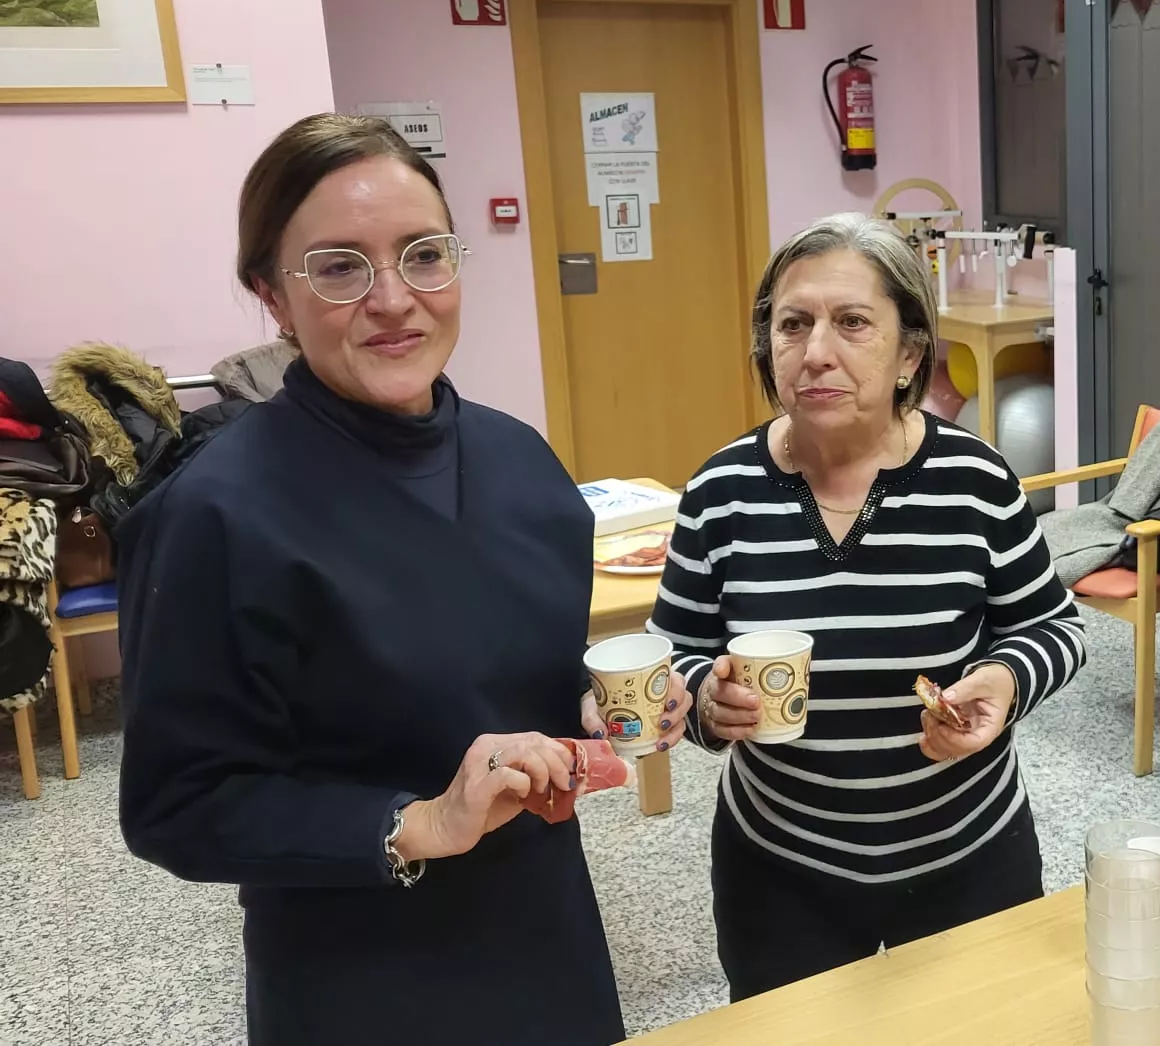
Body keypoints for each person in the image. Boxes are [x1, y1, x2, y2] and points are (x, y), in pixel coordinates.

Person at [117, 114, 688, 1045]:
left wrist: (599, 712)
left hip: (548, 940)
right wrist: (416, 822)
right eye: (340, 268)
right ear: (272, 294)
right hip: (357, 972)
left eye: (424, 255)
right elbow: (176, 807)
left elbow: (508, 682)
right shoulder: (219, 516)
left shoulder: (521, 465)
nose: (395, 299)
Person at [651, 212, 1085, 1001]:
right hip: (781, 866)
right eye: (793, 324)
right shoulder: (720, 492)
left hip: (967, 853)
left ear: (909, 353)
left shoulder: (975, 479)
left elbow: (1055, 627)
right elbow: (672, 647)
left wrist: (1007, 678)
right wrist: (709, 701)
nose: (817, 352)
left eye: (853, 323)